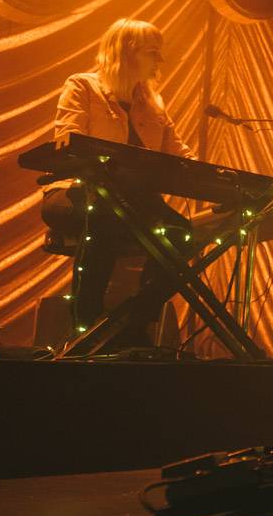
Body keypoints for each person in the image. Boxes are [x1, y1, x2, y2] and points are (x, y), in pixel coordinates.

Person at [41, 18, 194, 348]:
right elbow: (68, 141)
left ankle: (133, 320)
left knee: (184, 236)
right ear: (126, 52)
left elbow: (179, 154)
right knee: (102, 216)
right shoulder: (82, 86)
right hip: (76, 193)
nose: (160, 61)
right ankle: (84, 325)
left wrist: (222, 178)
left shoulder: (153, 102)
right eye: (153, 52)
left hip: (133, 203)